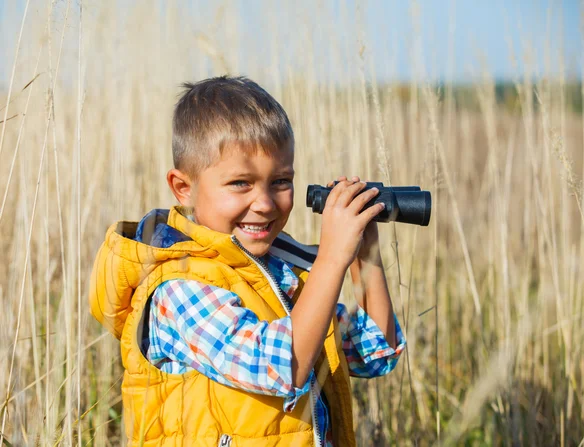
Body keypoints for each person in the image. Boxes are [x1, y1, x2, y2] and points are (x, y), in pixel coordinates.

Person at [89, 76, 405, 446]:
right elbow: (281, 367)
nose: (265, 203)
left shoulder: (280, 272)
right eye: (241, 183)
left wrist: (363, 253)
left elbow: (372, 354)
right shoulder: (177, 289)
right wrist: (332, 258)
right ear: (183, 188)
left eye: (280, 181)